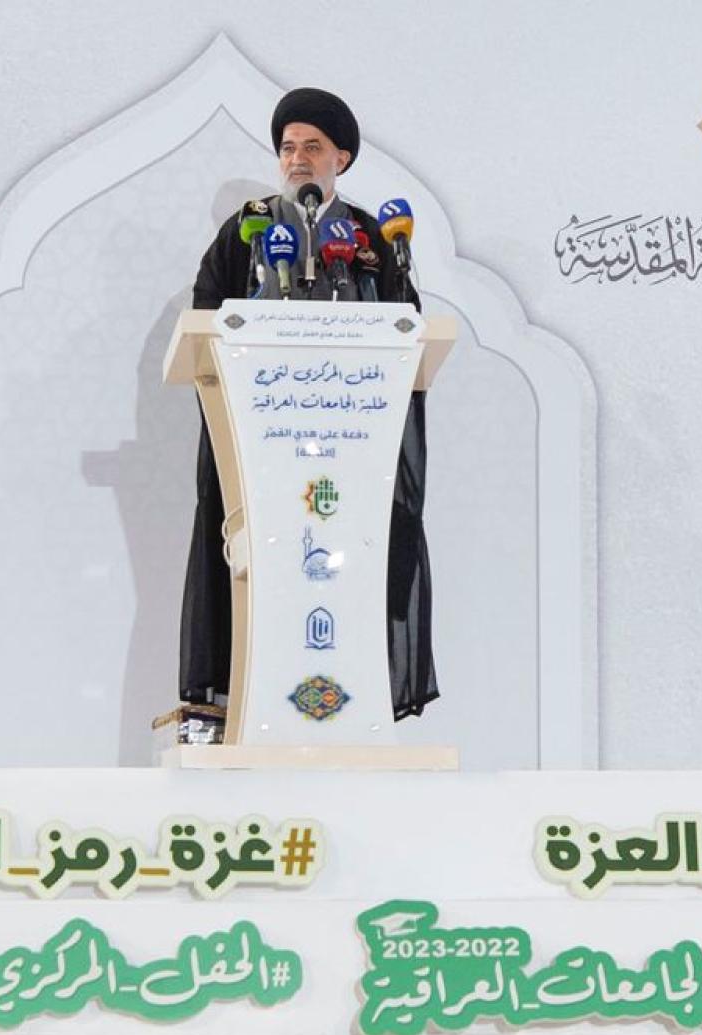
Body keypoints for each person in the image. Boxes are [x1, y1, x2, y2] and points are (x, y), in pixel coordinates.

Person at [177, 87, 439, 724]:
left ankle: (354, 708)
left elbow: (406, 330)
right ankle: (251, 706)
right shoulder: (247, 231)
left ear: (340, 159)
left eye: (312, 147)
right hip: (264, 441)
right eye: (288, 147)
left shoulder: (373, 236)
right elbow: (207, 318)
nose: (297, 159)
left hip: (351, 443)